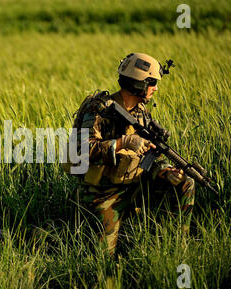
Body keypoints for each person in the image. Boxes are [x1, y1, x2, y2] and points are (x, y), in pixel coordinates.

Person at [64, 53, 195, 255]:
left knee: (186, 182)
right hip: (102, 194)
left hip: (135, 186)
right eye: (152, 83)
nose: (156, 88)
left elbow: (150, 158)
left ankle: (178, 249)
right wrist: (124, 142)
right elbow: (81, 150)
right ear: (139, 83)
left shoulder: (141, 113)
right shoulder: (99, 109)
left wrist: (164, 172)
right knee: (101, 258)